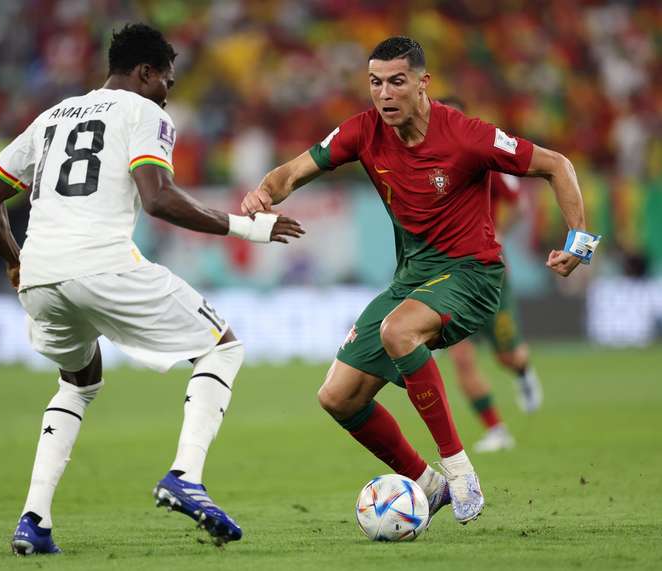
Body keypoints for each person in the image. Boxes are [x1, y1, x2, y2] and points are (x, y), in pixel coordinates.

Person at [0, 23, 303, 555]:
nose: (168, 91)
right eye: (166, 80)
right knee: (222, 345)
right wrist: (246, 227)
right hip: (101, 264)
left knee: (78, 381)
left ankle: (33, 520)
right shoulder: (145, 112)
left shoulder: (52, 116)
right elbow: (158, 199)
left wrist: (15, 263)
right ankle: (185, 476)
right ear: (145, 73)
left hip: (39, 276)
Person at [241, 36, 598, 525]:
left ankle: (458, 468)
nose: (384, 94)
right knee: (337, 397)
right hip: (412, 280)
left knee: (398, 331)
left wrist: (580, 243)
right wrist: (263, 191)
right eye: (375, 83)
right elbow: (295, 171)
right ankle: (429, 486)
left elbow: (557, 165)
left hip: (473, 274)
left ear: (423, 83)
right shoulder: (363, 132)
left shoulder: (466, 134)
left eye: (396, 81)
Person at [440, 96, 543, 454]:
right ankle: (497, 429)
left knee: (507, 356)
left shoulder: (481, 157)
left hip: (488, 273)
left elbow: (518, 204)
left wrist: (495, 234)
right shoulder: (423, 162)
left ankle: (522, 371)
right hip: (446, 278)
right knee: (462, 358)